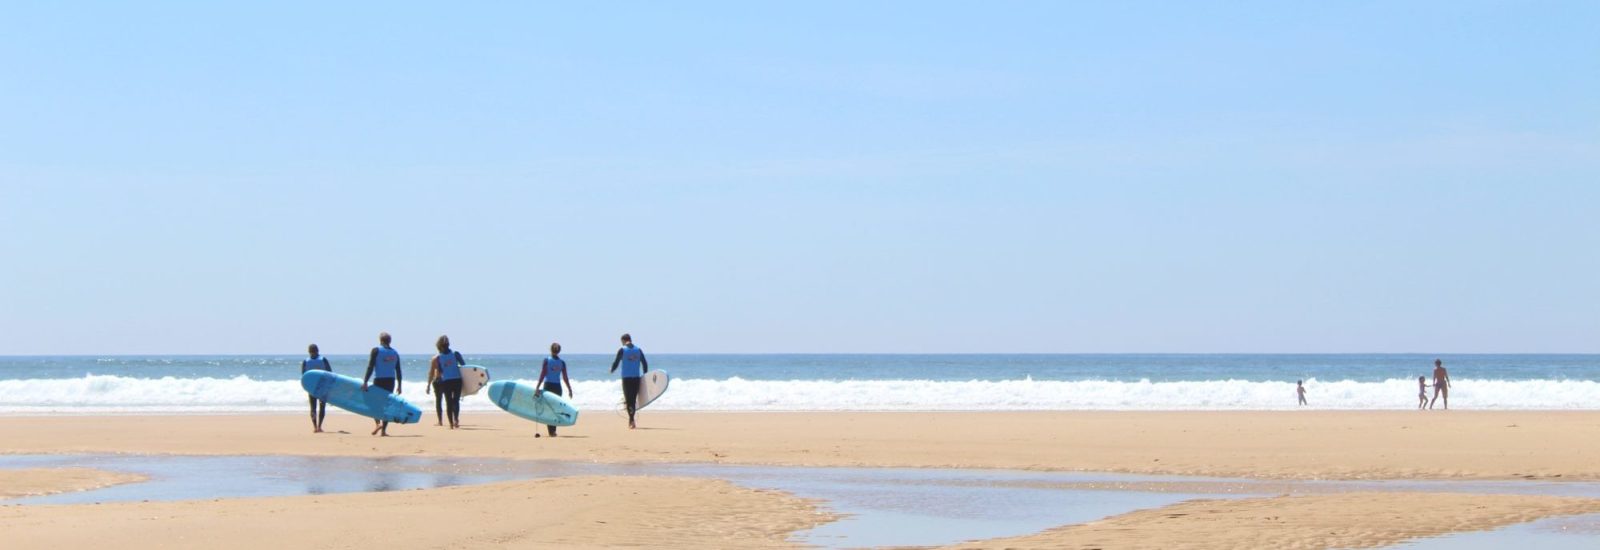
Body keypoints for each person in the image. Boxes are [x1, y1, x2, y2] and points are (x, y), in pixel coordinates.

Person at [361, 332, 403, 436]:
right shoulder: (395, 353)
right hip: (391, 381)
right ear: (390, 341)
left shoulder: (376, 350)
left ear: (380, 340)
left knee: (374, 402)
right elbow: (398, 370)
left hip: (379, 379)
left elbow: (370, 366)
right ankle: (383, 431)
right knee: (386, 404)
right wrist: (400, 385)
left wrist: (365, 381)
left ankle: (377, 424)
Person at [609, 333, 649, 429]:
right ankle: (632, 420)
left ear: (623, 340)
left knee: (628, 400)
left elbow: (616, 362)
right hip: (636, 378)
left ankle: (631, 420)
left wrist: (612, 370)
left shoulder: (622, 350)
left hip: (626, 378)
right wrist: (646, 376)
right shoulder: (638, 350)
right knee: (633, 399)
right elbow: (644, 363)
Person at [426, 335, 466, 429]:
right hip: (457, 380)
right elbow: (464, 367)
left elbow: (439, 371)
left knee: (449, 402)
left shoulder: (438, 358)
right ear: (449, 344)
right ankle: (456, 420)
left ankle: (451, 424)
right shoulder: (456, 354)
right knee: (455, 401)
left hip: (446, 381)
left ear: (439, 346)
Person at [536, 342, 575, 437]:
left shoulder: (546, 360)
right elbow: (565, 377)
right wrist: (569, 389)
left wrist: (537, 387)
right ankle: (553, 431)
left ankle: (551, 431)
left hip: (548, 386)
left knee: (548, 409)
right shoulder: (562, 363)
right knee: (555, 409)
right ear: (559, 351)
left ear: (550, 349)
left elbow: (543, 374)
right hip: (557, 387)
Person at [301, 344, 332, 433]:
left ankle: (315, 427)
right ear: (318, 351)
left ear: (309, 351)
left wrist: (306, 387)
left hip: (311, 388)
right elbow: (330, 373)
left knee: (313, 407)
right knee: (322, 407)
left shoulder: (306, 361)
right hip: (323, 387)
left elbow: (304, 376)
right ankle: (319, 426)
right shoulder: (323, 360)